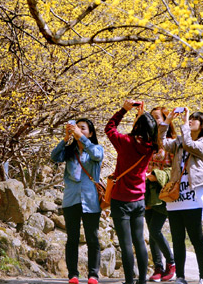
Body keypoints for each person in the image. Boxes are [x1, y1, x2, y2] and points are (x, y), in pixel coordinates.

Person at [105, 99, 158, 284]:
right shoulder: (151, 147)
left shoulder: (125, 142)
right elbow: (153, 131)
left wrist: (124, 110)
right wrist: (141, 116)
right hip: (139, 200)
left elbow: (110, 128)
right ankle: (142, 281)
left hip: (121, 200)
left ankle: (129, 281)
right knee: (139, 242)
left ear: (137, 126)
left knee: (126, 243)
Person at [159, 108, 203, 284]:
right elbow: (162, 143)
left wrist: (183, 125)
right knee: (177, 238)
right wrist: (167, 121)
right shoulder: (181, 140)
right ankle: (181, 276)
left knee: (196, 237)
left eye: (193, 119)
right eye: (188, 119)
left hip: (193, 195)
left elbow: (191, 146)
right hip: (176, 195)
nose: (189, 121)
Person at [51, 118, 104, 284]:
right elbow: (54, 157)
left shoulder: (96, 149)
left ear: (91, 132)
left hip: (91, 201)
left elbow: (96, 155)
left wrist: (81, 138)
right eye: (77, 128)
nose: (79, 130)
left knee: (92, 238)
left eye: (83, 128)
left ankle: (93, 275)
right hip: (71, 199)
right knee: (72, 238)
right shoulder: (70, 152)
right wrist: (66, 138)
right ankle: (73, 274)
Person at [145, 107, 176, 282]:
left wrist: (156, 175)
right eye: (153, 118)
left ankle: (171, 263)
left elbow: (175, 169)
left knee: (155, 229)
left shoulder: (171, 142)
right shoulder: (148, 142)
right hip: (146, 190)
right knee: (150, 230)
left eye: (158, 117)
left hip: (162, 190)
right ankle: (158, 267)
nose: (155, 120)